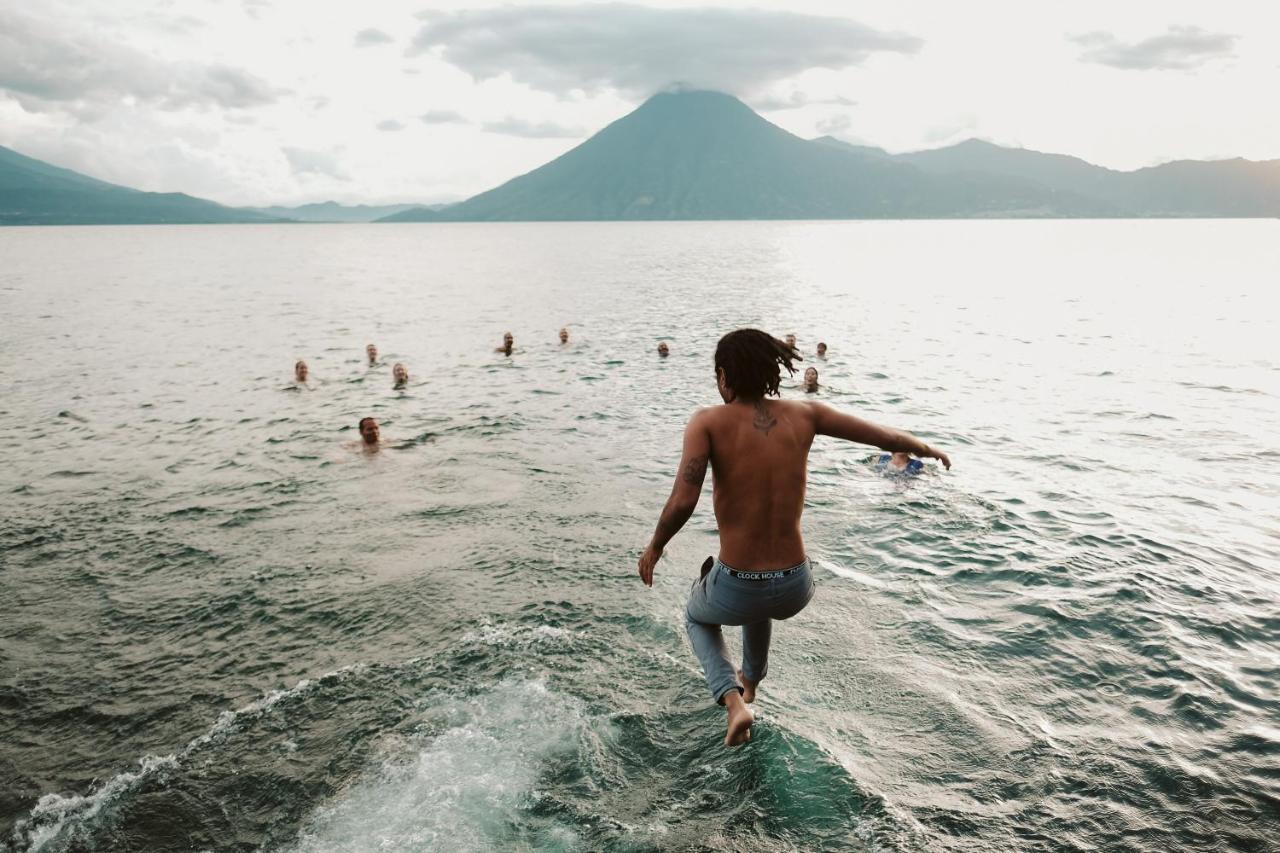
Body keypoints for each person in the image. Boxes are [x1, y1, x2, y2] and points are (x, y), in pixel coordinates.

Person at [637, 328, 950, 747]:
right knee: (757, 602)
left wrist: (656, 545)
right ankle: (751, 683)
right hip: (795, 585)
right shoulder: (807, 415)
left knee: (697, 615)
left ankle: (734, 704)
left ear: (723, 376)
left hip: (737, 584)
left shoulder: (706, 421)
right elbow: (886, 438)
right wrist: (928, 448)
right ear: (771, 371)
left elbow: (682, 499)